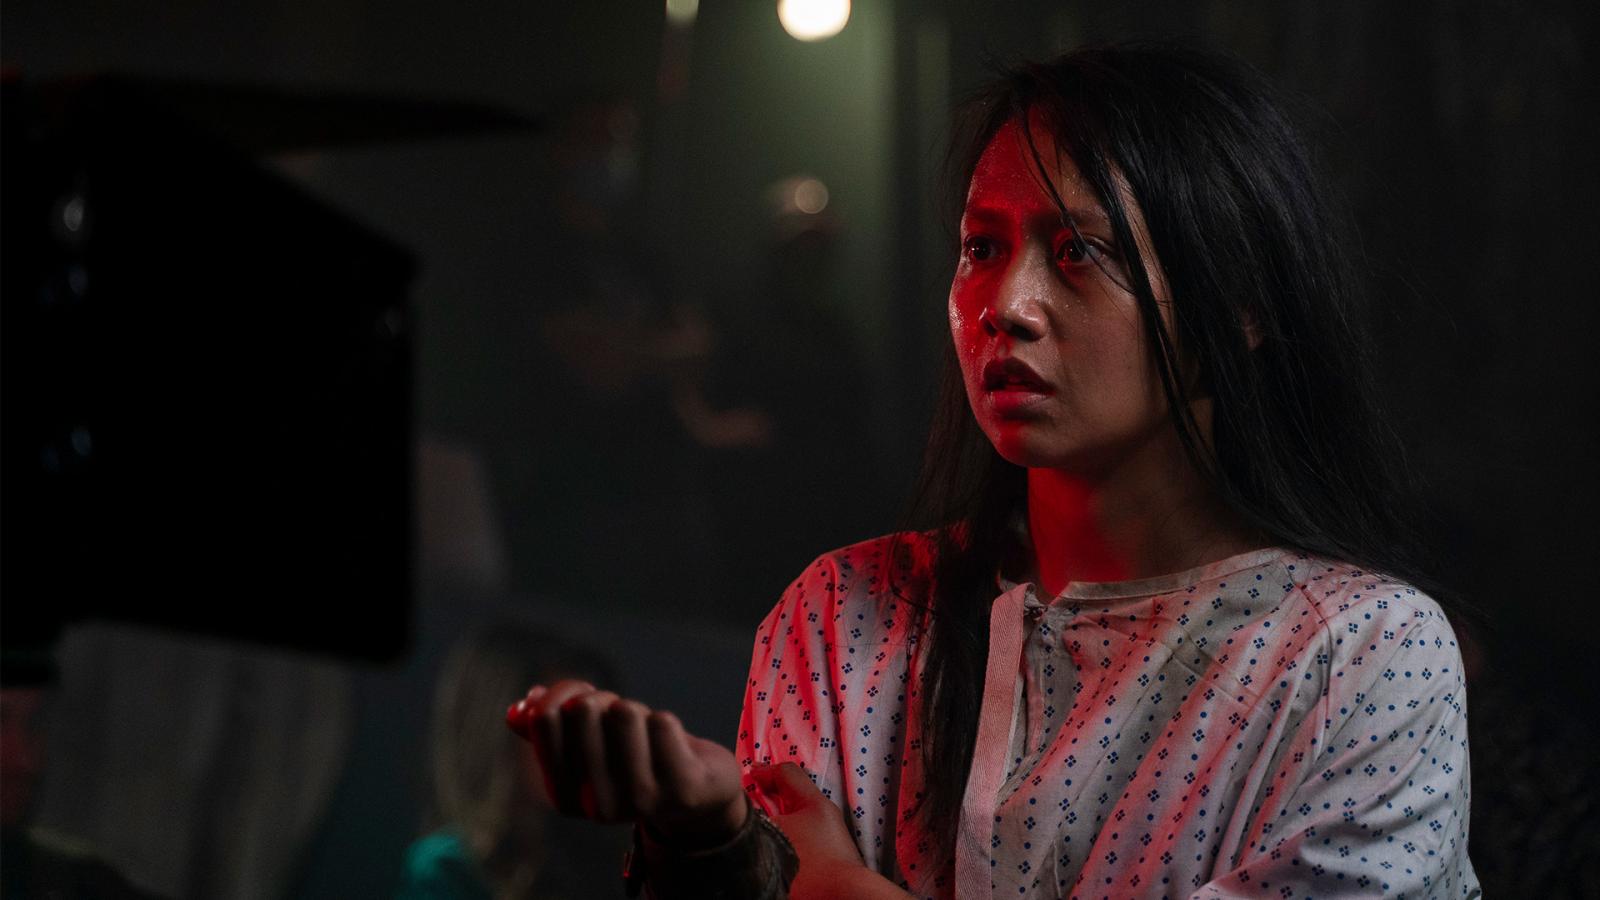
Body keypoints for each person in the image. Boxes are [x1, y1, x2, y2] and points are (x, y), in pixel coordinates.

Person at [505, 41, 1480, 899]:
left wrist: (839, 889)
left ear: (1240, 307)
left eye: (1077, 251)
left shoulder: (1362, 655)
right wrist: (710, 842)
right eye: (981, 246)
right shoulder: (842, 621)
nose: (1004, 304)